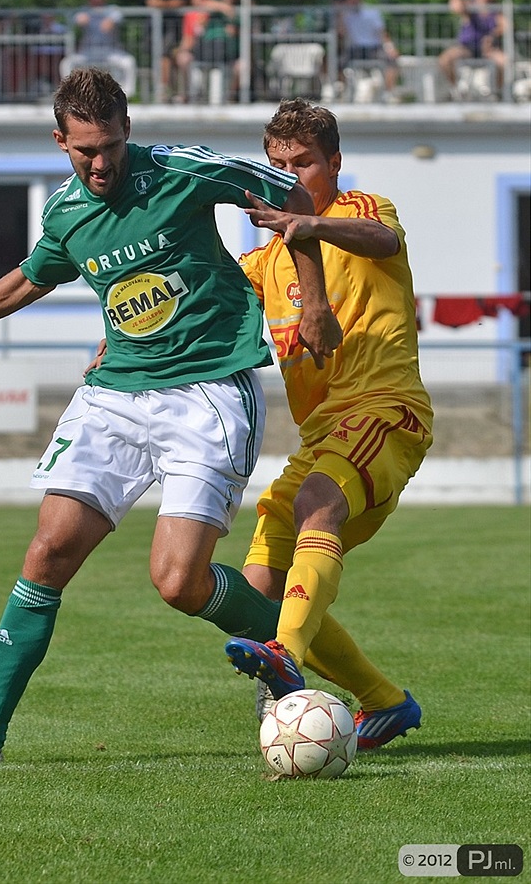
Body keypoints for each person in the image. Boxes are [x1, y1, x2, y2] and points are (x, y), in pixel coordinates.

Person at [0, 67, 341, 767]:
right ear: (61, 140)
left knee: (177, 581)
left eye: (111, 147)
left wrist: (314, 302)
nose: (100, 164)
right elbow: (32, 276)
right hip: (116, 392)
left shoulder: (183, 171)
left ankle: (283, 650)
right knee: (48, 549)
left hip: (208, 388)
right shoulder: (65, 211)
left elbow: (295, 195)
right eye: (84, 150)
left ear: (128, 131)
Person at [223, 97, 434, 751]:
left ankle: (284, 656)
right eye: (278, 164)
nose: (291, 175)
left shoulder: (359, 210)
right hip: (323, 436)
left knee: (314, 504)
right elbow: (199, 305)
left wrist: (309, 225)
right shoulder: (261, 266)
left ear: (334, 163)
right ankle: (384, 700)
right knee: (264, 566)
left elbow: (386, 242)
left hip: (385, 408)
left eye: (304, 163)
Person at [60, 0, 137, 97]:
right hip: (88, 51)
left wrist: (111, 21)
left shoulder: (111, 10)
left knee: (129, 62)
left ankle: (127, 95)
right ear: (89, 0)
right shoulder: (85, 11)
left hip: (110, 50)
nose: (96, 1)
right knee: (67, 63)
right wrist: (80, 20)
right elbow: (75, 18)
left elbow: (118, 16)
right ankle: (69, 93)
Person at [174, 0, 241, 102]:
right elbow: (191, 36)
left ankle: (231, 98)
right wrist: (224, 7)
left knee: (240, 67)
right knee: (183, 58)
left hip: (228, 55)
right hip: (204, 53)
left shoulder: (242, 6)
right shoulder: (212, 5)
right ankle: (187, 96)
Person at [438, 0, 506, 97]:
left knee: (504, 61)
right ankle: (456, 89)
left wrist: (492, 36)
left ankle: (497, 92)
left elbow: (506, 26)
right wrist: (459, 4)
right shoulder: (470, 5)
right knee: (445, 60)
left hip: (488, 49)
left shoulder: (496, 10)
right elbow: (455, 5)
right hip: (467, 48)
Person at [337, 0, 399, 100]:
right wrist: (340, 12)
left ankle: (388, 93)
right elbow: (341, 33)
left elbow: (381, 32)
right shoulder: (345, 15)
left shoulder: (371, 12)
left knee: (392, 62)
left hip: (373, 47)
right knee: (338, 64)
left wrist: (390, 47)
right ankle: (345, 93)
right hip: (356, 48)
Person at [144, 0, 188, 102]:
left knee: (167, 56)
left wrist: (161, 4)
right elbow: (152, 2)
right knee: (163, 57)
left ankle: (165, 91)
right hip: (156, 29)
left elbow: (181, 2)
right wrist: (169, 4)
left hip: (173, 29)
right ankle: (164, 90)